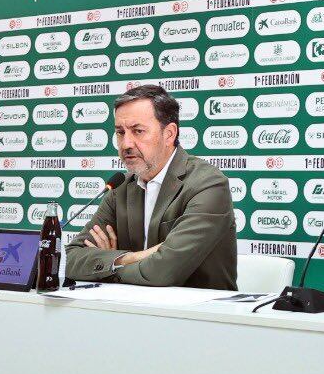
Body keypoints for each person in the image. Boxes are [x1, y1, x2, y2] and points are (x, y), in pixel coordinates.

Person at [64, 84, 237, 289]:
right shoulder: (120, 188)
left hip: (200, 316)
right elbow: (72, 259)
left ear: (169, 134)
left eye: (138, 131)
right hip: (131, 312)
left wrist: (106, 263)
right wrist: (130, 258)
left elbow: (162, 272)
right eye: (120, 132)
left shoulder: (207, 184)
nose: (126, 144)